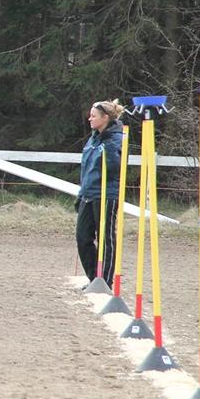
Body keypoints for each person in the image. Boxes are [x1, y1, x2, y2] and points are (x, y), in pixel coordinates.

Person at [76, 98, 123, 286]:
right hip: (88, 194)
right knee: (82, 237)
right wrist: (81, 194)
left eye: (93, 116)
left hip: (106, 194)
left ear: (105, 118)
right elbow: (86, 168)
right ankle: (94, 278)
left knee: (106, 239)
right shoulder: (93, 138)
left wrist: (109, 146)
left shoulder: (116, 138)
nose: (90, 119)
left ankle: (106, 281)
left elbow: (114, 168)